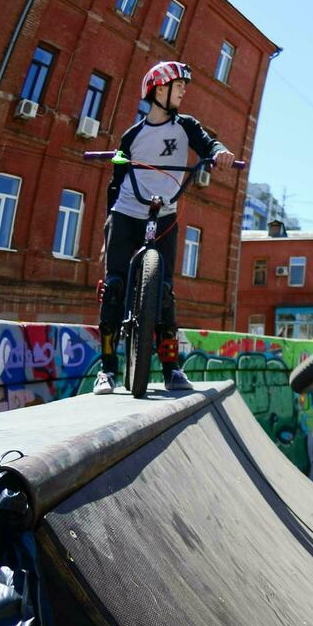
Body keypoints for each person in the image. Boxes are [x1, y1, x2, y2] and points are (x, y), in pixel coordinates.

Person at [92, 61, 235, 395]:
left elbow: (207, 144)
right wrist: (108, 226)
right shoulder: (132, 136)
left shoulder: (186, 125)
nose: (184, 91)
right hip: (127, 212)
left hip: (164, 214)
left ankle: (171, 369)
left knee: (166, 292)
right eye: (178, 85)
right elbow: (115, 182)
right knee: (113, 287)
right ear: (159, 89)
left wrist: (220, 153)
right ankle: (108, 369)